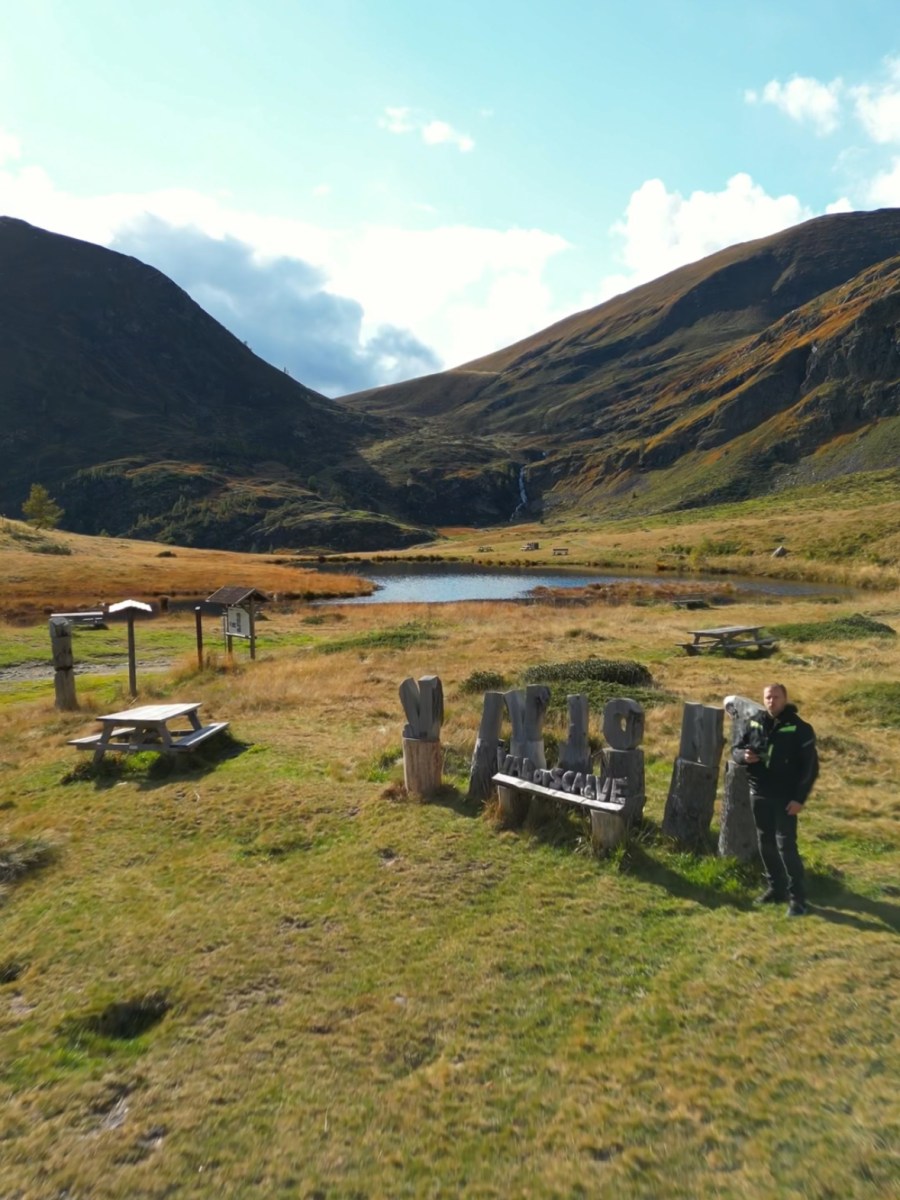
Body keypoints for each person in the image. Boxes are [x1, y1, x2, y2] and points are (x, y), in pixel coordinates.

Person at [733, 682, 818, 917]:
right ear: (764, 699)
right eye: (768, 697)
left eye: (776, 697)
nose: (772, 701)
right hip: (759, 792)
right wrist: (743, 756)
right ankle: (776, 889)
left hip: (786, 797)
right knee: (765, 842)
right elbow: (736, 749)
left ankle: (798, 899)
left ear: (785, 698)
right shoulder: (753, 722)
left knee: (786, 846)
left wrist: (799, 799)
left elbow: (810, 768)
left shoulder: (800, 728)